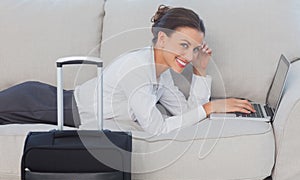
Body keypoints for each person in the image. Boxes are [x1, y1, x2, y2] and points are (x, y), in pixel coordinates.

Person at [0, 5, 255, 134]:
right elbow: (157, 129)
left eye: (195, 49)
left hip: (59, 103)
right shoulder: (138, 71)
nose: (189, 56)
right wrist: (210, 107)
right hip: (46, 104)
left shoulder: (161, 73)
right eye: (184, 45)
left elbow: (187, 113)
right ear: (163, 39)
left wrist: (200, 73)